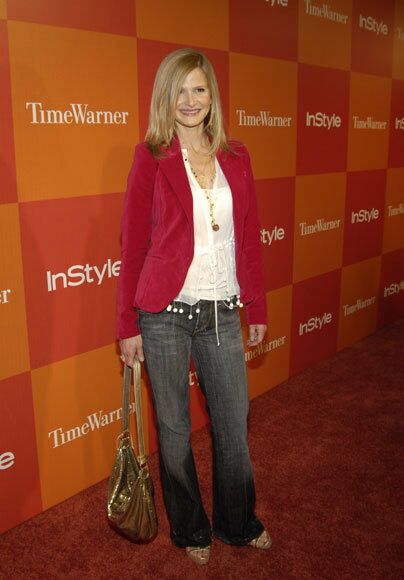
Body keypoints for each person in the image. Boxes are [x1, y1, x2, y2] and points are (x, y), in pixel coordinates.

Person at [116, 47, 272, 565]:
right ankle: (190, 530)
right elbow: (133, 246)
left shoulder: (237, 155)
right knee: (175, 431)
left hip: (222, 311)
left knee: (233, 424)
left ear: (212, 96)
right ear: (166, 96)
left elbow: (248, 236)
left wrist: (257, 305)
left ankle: (237, 522)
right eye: (179, 90)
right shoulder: (151, 156)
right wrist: (127, 325)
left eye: (199, 89)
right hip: (164, 314)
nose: (189, 100)